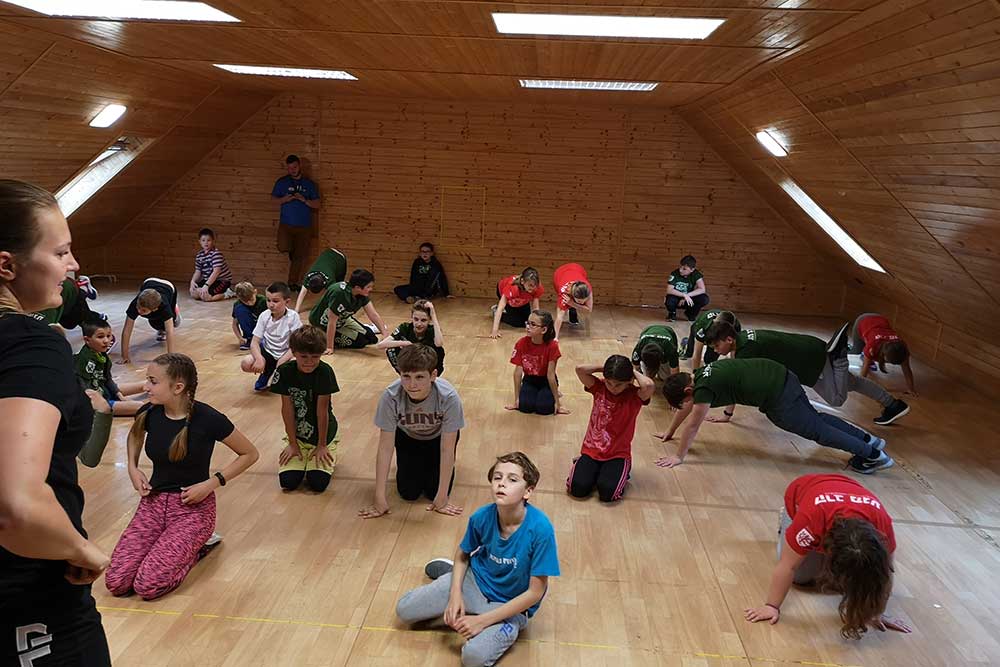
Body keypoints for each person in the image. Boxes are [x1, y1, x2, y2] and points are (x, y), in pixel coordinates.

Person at [0, 179, 112, 665]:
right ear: (7, 265)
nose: (74, 264)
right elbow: (15, 505)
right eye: (61, 251)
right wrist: (80, 549)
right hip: (28, 600)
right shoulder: (29, 344)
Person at [105, 353, 259, 600]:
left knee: (147, 585)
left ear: (178, 387)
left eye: (153, 381)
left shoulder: (208, 418)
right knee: (117, 582)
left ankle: (199, 547)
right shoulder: (148, 412)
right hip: (153, 505)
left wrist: (211, 484)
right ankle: (174, 545)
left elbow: (249, 454)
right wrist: (133, 467)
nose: (145, 387)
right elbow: (135, 434)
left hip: (193, 509)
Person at [396, 452, 559, 667]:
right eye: (497, 477)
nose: (502, 483)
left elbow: (535, 593)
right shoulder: (481, 517)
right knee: (404, 611)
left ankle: (454, 577)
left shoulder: (541, 529)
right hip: (475, 582)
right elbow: (462, 554)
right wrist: (455, 595)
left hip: (509, 607)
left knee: (473, 658)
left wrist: (482, 621)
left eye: (512, 479)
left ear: (528, 491)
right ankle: (454, 575)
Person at [744, 474, 911, 640]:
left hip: (841, 496)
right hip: (802, 495)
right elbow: (788, 566)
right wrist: (772, 606)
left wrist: (877, 612)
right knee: (801, 576)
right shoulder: (811, 520)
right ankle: (787, 525)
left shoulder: (882, 527)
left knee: (858, 575)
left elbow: (885, 574)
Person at [657, 358, 894, 474]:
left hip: (778, 397)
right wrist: (670, 432)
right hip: (783, 375)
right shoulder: (702, 374)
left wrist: (679, 456)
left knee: (818, 431)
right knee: (817, 418)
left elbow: (693, 426)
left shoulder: (702, 391)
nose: (686, 405)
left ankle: (873, 456)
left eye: (684, 401)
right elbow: (688, 410)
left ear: (688, 391)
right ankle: (869, 441)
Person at [705, 322, 910, 426]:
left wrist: (726, 415)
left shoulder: (746, 351)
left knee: (836, 399)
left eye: (716, 346)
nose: (715, 350)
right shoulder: (744, 339)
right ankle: (893, 404)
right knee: (852, 383)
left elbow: (736, 384)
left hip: (811, 363)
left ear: (729, 340)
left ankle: (840, 357)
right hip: (812, 346)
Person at [360, 345, 464, 519]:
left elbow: (447, 449)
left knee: (434, 492)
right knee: (409, 493)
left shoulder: (449, 398)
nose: (412, 384)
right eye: (406, 376)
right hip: (408, 437)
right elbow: (385, 448)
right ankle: (413, 463)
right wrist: (379, 498)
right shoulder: (391, 396)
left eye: (419, 377)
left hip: (437, 439)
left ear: (433, 375)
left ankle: (431, 468)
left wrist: (442, 497)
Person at [568, 356, 654, 502]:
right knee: (577, 489)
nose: (613, 388)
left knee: (608, 493)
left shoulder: (635, 396)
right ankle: (589, 466)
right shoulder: (599, 387)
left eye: (618, 385)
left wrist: (631, 371)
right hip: (592, 451)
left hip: (617, 454)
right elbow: (580, 369)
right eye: (609, 383)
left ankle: (621, 470)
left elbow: (649, 385)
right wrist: (607, 369)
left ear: (629, 381)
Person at [271, 326, 340, 493]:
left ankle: (331, 446)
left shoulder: (325, 372)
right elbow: (287, 410)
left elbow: (322, 411)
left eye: (315, 357)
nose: (309, 361)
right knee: (288, 482)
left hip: (323, 434)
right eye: (303, 356)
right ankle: (300, 448)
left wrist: (322, 445)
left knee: (318, 483)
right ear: (293, 353)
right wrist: (293, 443)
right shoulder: (285, 371)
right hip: (299, 434)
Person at [76, 317, 149, 468]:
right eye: (100, 337)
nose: (106, 341)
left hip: (102, 388)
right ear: (87, 340)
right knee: (139, 406)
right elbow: (83, 389)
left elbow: (107, 380)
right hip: (97, 401)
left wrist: (120, 396)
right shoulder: (84, 360)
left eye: (109, 336)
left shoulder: (102, 355)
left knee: (145, 385)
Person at [308, 268, 389, 354]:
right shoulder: (339, 293)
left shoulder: (361, 294)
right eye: (368, 287)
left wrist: (385, 335)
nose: (371, 289)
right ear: (357, 287)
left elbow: (373, 314)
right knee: (360, 342)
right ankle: (318, 335)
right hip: (323, 324)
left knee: (372, 338)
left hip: (342, 319)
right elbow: (331, 321)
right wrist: (329, 347)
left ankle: (360, 329)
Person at [239, 282, 302, 391]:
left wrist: (281, 361)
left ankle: (282, 376)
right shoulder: (264, 316)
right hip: (268, 352)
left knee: (296, 365)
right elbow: (254, 342)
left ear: (287, 302)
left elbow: (296, 345)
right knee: (246, 363)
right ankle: (268, 372)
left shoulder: (293, 317)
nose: (271, 304)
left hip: (286, 354)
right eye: (268, 300)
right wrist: (259, 359)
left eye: (275, 301)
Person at [271, 154, 320, 289]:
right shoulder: (282, 182)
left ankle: (292, 283)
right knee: (283, 247)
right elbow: (273, 199)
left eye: (294, 167)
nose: (292, 170)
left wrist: (304, 200)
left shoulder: (309, 184)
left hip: (304, 226)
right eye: (289, 168)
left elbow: (317, 204)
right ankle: (292, 251)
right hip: (286, 224)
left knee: (299, 256)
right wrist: (284, 199)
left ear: (299, 166)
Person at [506, 310, 567, 416]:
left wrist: (558, 403)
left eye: (533, 324)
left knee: (544, 408)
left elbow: (550, 375)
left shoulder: (552, 346)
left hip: (546, 380)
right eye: (528, 323)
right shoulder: (521, 343)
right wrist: (517, 399)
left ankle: (554, 393)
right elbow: (517, 373)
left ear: (544, 330)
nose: (528, 327)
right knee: (525, 407)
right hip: (530, 379)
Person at [849, 313, 917, 397]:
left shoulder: (902, 349)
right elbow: (864, 370)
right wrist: (860, 388)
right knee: (856, 351)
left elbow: (907, 370)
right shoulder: (873, 347)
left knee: (869, 356)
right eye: (889, 361)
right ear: (884, 354)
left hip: (880, 321)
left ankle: (867, 356)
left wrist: (911, 389)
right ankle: (859, 353)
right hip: (863, 321)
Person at [119, 277, 180, 364]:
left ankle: (175, 311)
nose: (139, 311)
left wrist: (170, 357)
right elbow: (127, 330)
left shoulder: (164, 307)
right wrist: (124, 356)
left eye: (143, 310)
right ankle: (157, 321)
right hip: (149, 282)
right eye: (138, 307)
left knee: (168, 323)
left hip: (169, 287)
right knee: (153, 321)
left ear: (155, 309)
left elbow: (169, 332)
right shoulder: (135, 304)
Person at [377, 299, 445, 376]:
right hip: (411, 363)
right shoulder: (405, 327)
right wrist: (404, 343)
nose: (419, 324)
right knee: (391, 349)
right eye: (416, 319)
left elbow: (439, 343)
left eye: (423, 320)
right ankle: (405, 375)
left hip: (427, 366)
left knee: (439, 350)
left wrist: (433, 314)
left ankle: (429, 377)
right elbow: (381, 345)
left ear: (429, 320)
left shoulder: (432, 330)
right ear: (411, 317)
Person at [490, 267, 542, 338]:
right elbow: (501, 308)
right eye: (530, 285)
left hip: (523, 297)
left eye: (535, 285)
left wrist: (537, 327)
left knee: (527, 321)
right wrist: (494, 330)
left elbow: (535, 308)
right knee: (517, 322)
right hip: (506, 294)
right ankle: (495, 311)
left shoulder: (536, 288)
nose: (533, 288)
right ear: (522, 281)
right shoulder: (513, 288)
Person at [293, 247, 347, 313]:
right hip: (328, 252)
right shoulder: (308, 276)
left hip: (340, 258)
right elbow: (302, 292)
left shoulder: (330, 280)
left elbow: (335, 293)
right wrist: (296, 310)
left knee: (339, 287)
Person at [34, 276, 99, 331]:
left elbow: (51, 329)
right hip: (62, 292)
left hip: (72, 291)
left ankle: (83, 289)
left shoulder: (45, 309)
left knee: (80, 322)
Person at [189, 228, 234, 302]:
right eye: (203, 240)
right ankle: (204, 292)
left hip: (221, 280)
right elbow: (198, 271)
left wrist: (206, 286)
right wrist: (192, 281)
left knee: (206, 297)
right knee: (193, 293)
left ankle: (228, 293)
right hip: (209, 280)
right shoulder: (199, 255)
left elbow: (216, 272)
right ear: (199, 241)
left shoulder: (216, 254)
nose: (206, 243)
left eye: (208, 240)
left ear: (213, 241)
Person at [552, 262, 593, 339]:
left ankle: (573, 311)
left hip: (577, 268)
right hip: (559, 274)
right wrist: (555, 338)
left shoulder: (587, 289)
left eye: (585, 300)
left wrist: (572, 303)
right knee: (565, 306)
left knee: (574, 305)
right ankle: (572, 308)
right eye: (580, 301)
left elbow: (588, 310)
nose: (582, 303)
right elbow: (559, 317)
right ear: (573, 296)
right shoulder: (564, 294)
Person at [664, 255, 709, 322]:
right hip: (676, 298)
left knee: (704, 299)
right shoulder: (674, 273)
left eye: (684, 269)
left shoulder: (696, 274)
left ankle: (690, 314)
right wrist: (684, 295)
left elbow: (702, 289)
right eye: (680, 267)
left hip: (688, 299)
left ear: (692, 270)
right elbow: (669, 290)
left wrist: (687, 295)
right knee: (669, 300)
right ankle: (672, 313)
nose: (680, 270)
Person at [231, 281, 267, 351]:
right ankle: (249, 339)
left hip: (263, 332)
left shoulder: (263, 300)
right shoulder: (238, 304)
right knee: (240, 309)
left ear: (255, 292)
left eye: (251, 299)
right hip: (250, 331)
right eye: (246, 302)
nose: (250, 303)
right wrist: (240, 338)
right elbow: (235, 324)